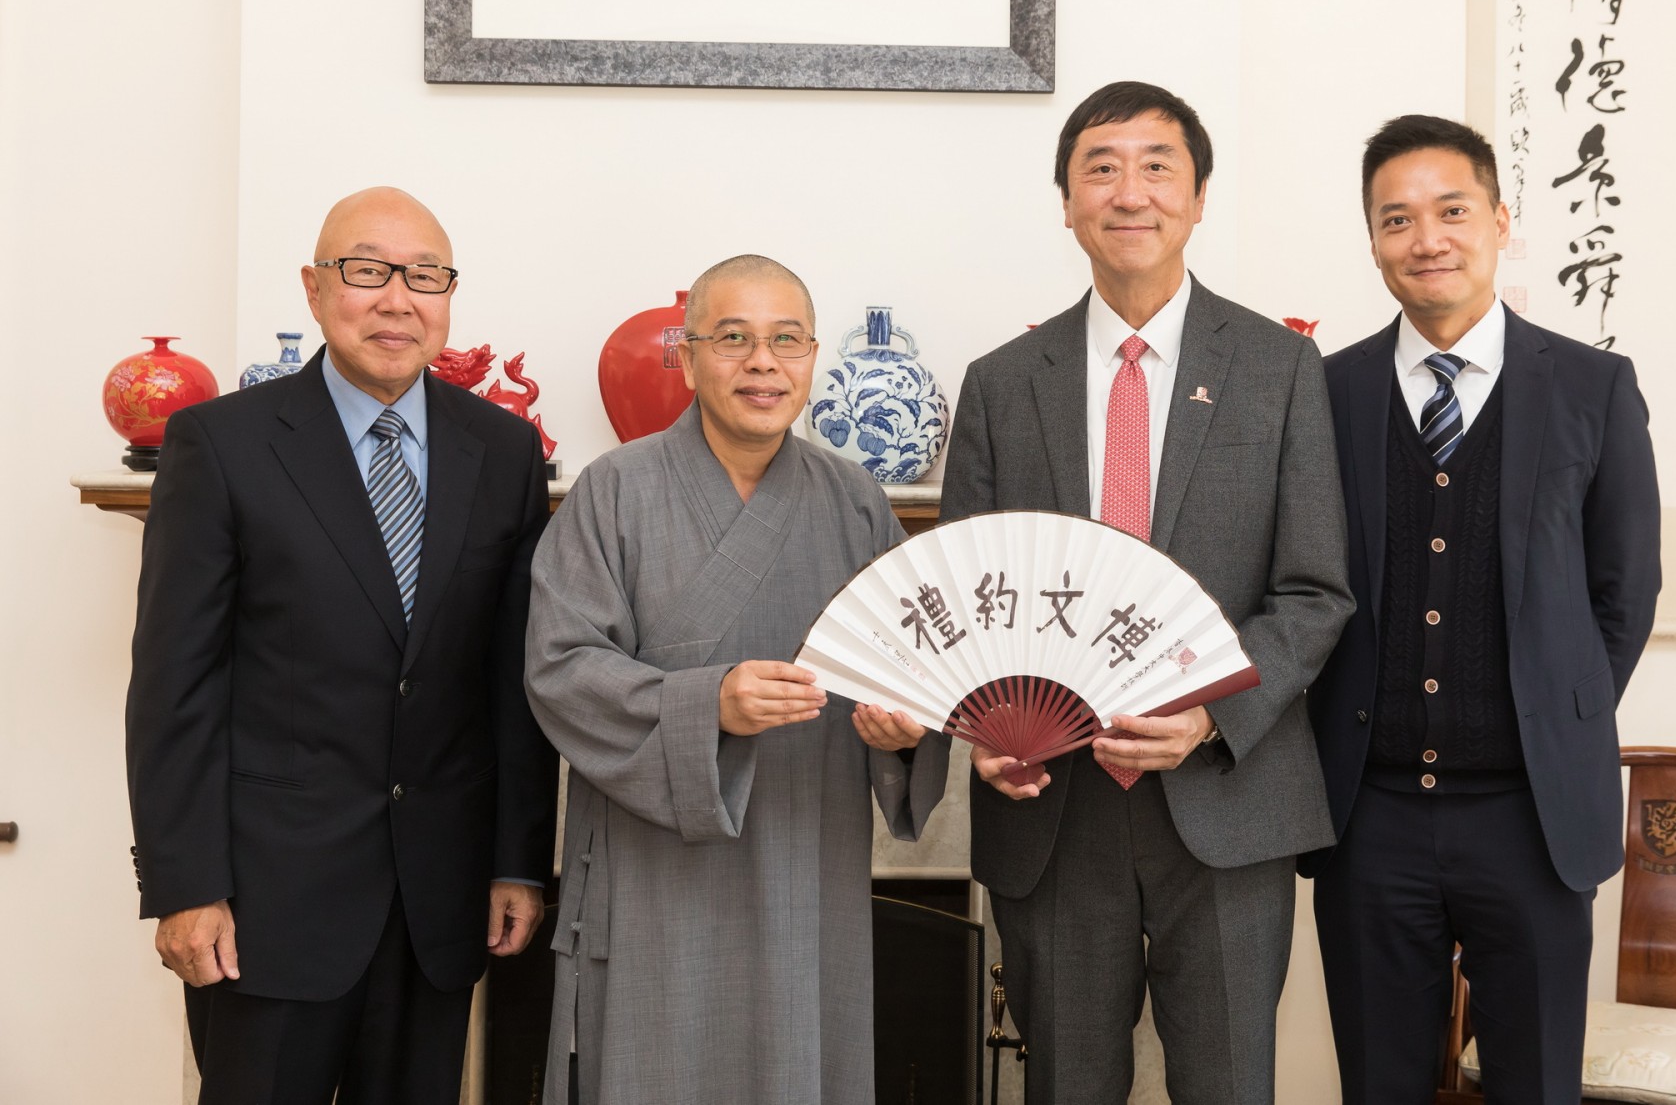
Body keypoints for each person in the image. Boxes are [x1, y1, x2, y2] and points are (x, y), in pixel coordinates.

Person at [940, 81, 1353, 1104]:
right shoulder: (1001, 382)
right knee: (1065, 1087)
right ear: (1066, 203)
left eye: (1157, 165)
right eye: (1100, 167)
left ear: (1199, 195)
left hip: (1224, 801)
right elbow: (962, 591)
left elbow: (1314, 592)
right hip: (1054, 809)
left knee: (1225, 1085)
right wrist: (983, 723)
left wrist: (1212, 712)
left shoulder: (1280, 367)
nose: (1131, 192)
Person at [126, 187, 558, 1105]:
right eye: (367, 270)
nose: (397, 298)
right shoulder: (223, 442)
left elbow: (510, 682)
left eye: (425, 276)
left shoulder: (506, 450)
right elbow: (175, 683)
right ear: (316, 290)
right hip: (264, 903)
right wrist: (184, 882)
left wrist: (517, 858)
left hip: (437, 899)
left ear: (449, 297)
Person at [525, 254, 948, 1105]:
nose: (764, 362)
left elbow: (910, 669)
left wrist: (904, 729)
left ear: (814, 356)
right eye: (734, 338)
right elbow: (561, 669)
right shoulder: (615, 489)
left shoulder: (856, 498)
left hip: (807, 857)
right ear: (686, 357)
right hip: (656, 874)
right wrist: (706, 702)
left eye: (787, 339)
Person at [1305, 115, 1662, 1103]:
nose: (1425, 238)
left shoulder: (1591, 386)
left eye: (1450, 210)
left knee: (1536, 1085)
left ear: (1500, 220)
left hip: (1530, 816)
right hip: (1367, 813)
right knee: (1378, 1083)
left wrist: (1558, 711)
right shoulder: (1325, 392)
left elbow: (1621, 590)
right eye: (1395, 219)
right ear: (1372, 239)